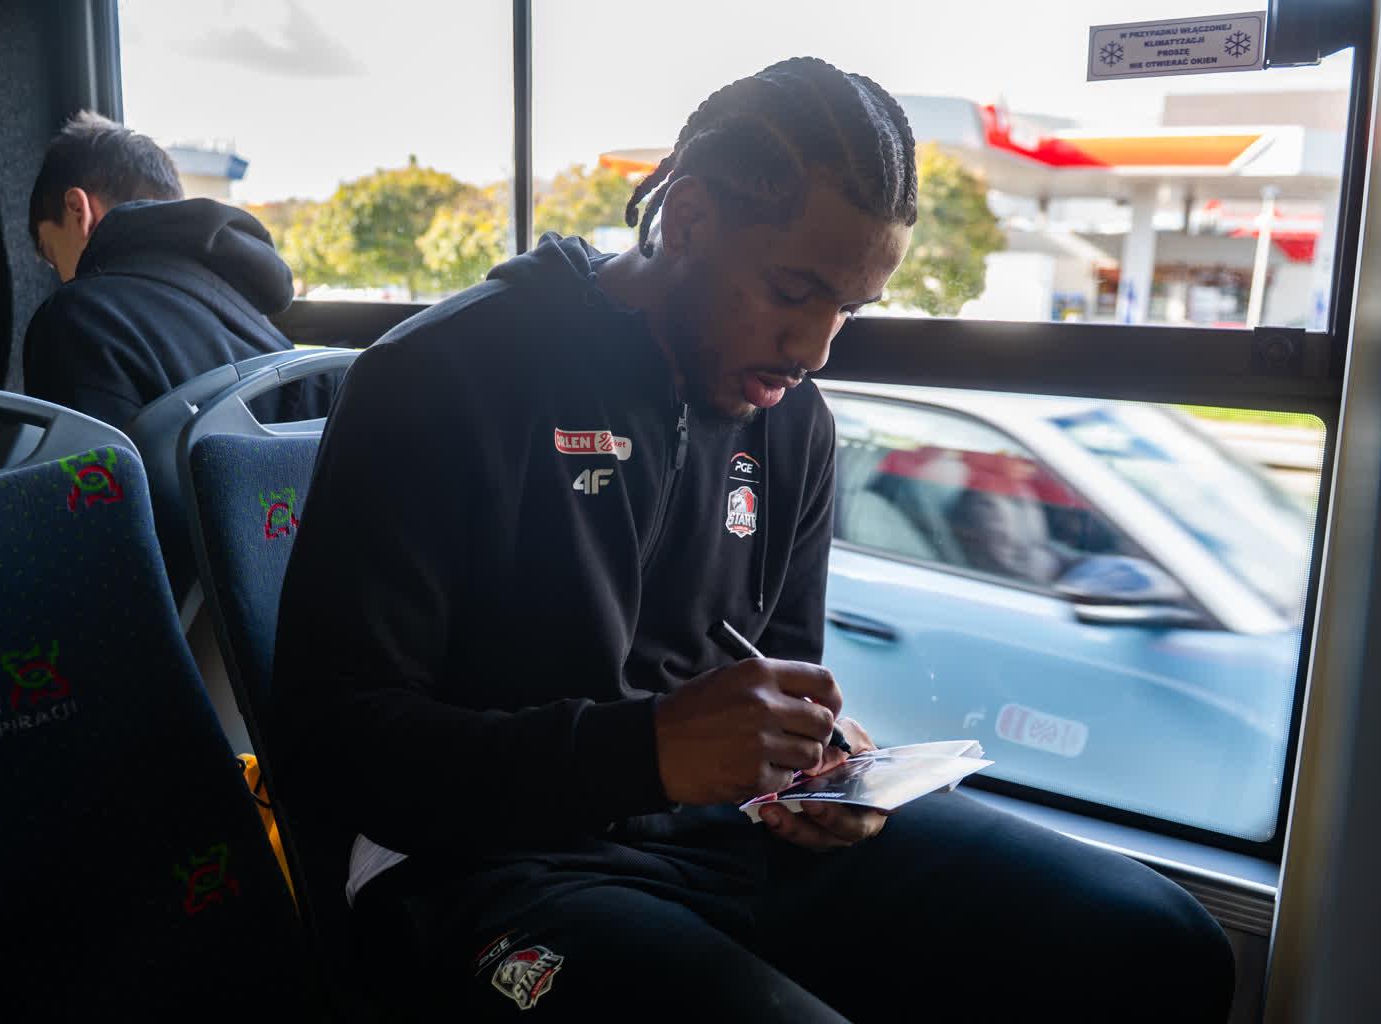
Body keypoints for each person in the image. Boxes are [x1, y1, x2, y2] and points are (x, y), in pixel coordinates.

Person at [270, 58, 1235, 1021]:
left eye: (846, 308)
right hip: (478, 864)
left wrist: (815, 767)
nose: (814, 349)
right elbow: (336, 746)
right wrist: (642, 752)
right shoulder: (440, 378)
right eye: (791, 289)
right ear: (688, 219)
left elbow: (774, 667)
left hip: (726, 834)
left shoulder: (793, 423)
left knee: (1154, 942)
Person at [22, 110, 329, 431]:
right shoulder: (256, 320)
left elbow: (89, 462)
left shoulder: (78, 318)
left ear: (78, 211)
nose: (62, 277)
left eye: (54, 256)